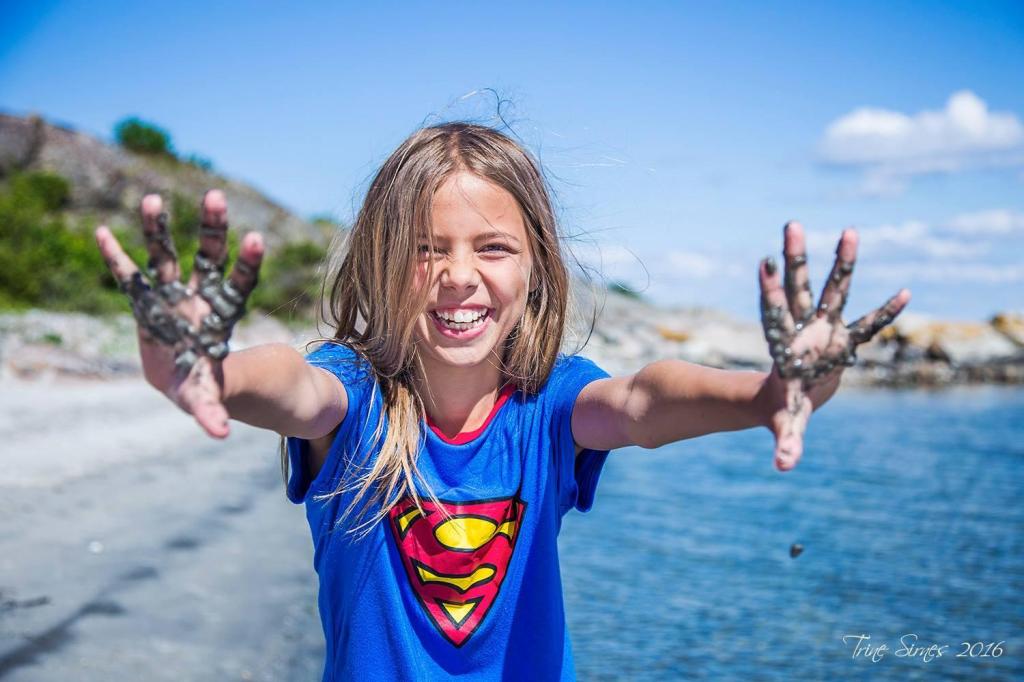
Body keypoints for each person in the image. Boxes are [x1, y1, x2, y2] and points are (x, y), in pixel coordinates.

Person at [94, 122, 910, 680]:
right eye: (425, 249)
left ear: (535, 267)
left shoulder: (551, 406)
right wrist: (214, 372)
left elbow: (642, 402)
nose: (459, 276)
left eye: (492, 247)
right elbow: (291, 385)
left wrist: (768, 393)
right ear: (380, 262)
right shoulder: (354, 395)